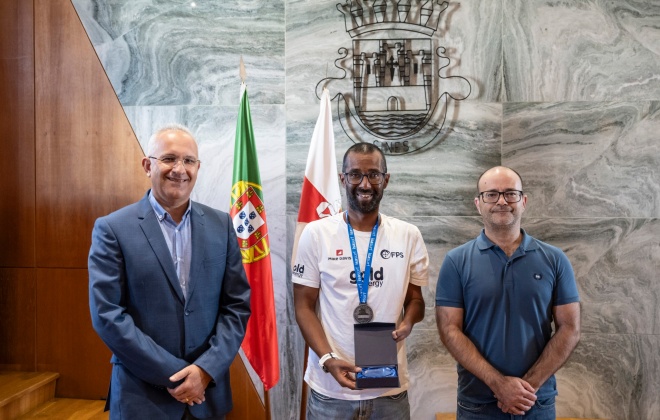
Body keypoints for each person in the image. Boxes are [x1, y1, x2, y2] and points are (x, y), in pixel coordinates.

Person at [88, 125, 251, 419]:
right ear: (147, 165)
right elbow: (107, 315)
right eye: (169, 159)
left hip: (207, 395)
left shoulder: (221, 226)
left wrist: (204, 370)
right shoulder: (112, 229)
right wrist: (176, 375)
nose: (180, 169)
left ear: (198, 167)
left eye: (189, 161)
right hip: (142, 397)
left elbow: (236, 307)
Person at [293, 142, 429, 419]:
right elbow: (303, 306)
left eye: (373, 175)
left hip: (388, 391)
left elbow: (416, 300)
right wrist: (327, 359)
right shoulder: (316, 234)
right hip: (330, 392)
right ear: (343, 178)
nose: (365, 183)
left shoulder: (408, 235)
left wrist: (408, 322)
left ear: (385, 179)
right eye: (355, 174)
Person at [435, 166, 581, 419]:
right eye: (491, 194)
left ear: (523, 201)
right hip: (477, 404)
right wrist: (499, 385)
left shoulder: (555, 259)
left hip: (536, 402)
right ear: (478, 203)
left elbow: (570, 328)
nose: (501, 201)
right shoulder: (456, 261)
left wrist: (526, 388)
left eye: (510, 194)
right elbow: (449, 330)